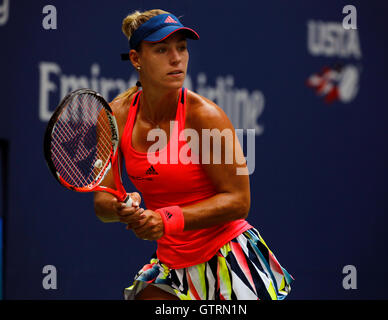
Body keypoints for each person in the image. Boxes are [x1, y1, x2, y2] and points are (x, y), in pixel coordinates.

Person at [93, 9, 293, 300]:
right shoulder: (114, 118)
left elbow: (239, 201)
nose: (176, 58)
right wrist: (122, 206)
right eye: (162, 49)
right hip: (171, 266)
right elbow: (102, 202)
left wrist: (166, 219)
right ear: (136, 59)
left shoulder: (205, 117)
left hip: (228, 258)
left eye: (182, 48)